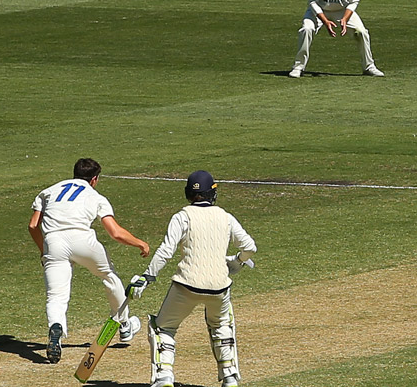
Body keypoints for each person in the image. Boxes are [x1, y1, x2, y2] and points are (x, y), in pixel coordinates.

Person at [129, 170, 257, 387]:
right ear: (212, 193)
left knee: (163, 328)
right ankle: (229, 377)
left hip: (186, 286)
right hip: (219, 288)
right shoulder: (225, 217)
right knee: (221, 326)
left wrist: (147, 277)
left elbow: (165, 251)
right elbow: (250, 247)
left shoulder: (182, 216)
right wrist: (238, 260)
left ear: (188, 194)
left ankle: (164, 377)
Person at [28, 158, 149, 364]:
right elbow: (115, 233)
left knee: (56, 296)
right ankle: (125, 325)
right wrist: (140, 244)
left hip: (53, 243)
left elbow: (33, 225)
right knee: (109, 276)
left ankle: (56, 326)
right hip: (83, 241)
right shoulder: (95, 196)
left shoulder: (49, 191)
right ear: (94, 179)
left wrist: (44, 251)